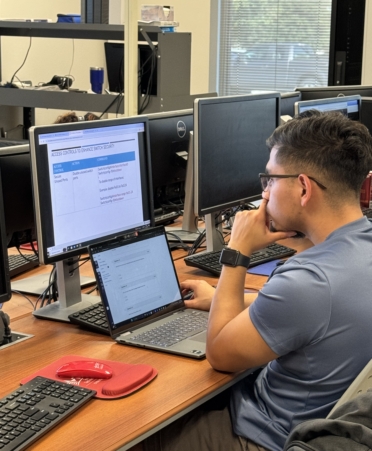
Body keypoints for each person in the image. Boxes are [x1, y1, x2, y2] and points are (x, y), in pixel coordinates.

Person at [137, 110, 372, 451]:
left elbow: (219, 353)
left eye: (271, 180)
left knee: (132, 434)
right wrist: (220, 296)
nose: (264, 193)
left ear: (303, 187)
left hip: (261, 437)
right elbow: (318, 317)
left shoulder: (308, 282)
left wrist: (238, 250)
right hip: (316, 424)